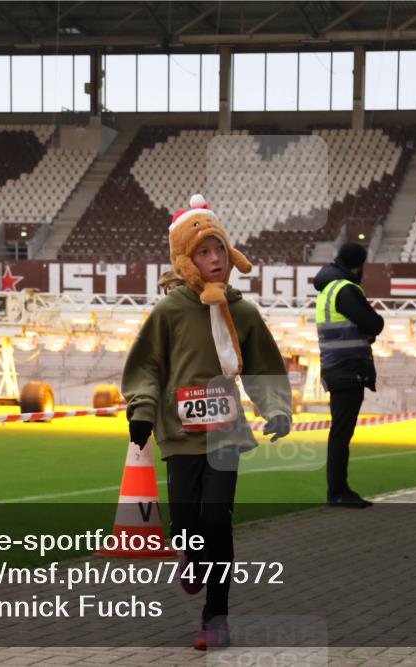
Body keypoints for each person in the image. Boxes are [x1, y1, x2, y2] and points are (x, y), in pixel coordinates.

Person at [122, 194, 292, 650]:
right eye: (203, 252)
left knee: (217, 520)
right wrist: (142, 411)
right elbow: (147, 365)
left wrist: (276, 407)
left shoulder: (243, 312)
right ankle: (191, 556)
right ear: (186, 258)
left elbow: (264, 365)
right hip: (180, 434)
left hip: (225, 433)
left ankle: (215, 617)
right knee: (185, 525)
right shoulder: (169, 311)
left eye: (219, 249)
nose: (215, 259)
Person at [313, 242, 384, 508]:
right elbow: (374, 323)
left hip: (337, 367)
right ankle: (338, 491)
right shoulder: (345, 289)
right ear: (357, 266)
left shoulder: (329, 289)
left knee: (341, 432)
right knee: (341, 434)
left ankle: (338, 490)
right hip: (347, 369)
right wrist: (370, 330)